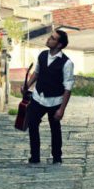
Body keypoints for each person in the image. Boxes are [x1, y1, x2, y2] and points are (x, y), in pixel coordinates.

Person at [21, 29, 74, 164]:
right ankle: (35, 156)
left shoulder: (67, 63)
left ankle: (57, 157)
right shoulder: (42, 55)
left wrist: (61, 109)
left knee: (55, 128)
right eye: (50, 37)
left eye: (53, 38)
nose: (48, 39)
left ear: (59, 45)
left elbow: (68, 88)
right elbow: (36, 73)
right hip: (38, 97)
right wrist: (27, 86)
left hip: (55, 101)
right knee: (32, 124)